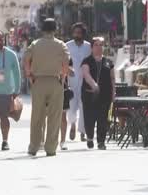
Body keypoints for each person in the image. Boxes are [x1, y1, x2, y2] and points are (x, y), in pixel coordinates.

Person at [24, 18, 70, 157]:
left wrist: (29, 74)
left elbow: (26, 59)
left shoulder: (35, 44)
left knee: (37, 115)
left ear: (42, 29)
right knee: (54, 116)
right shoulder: (61, 45)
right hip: (55, 81)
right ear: (55, 29)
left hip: (38, 81)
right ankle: (51, 148)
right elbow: (66, 62)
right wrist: (62, 77)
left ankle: (34, 146)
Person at [81, 37, 115, 150]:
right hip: (89, 94)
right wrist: (93, 84)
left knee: (103, 118)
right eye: (96, 45)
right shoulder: (86, 61)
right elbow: (86, 74)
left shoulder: (108, 62)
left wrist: (113, 92)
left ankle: (101, 141)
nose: (99, 47)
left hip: (105, 94)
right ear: (91, 47)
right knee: (89, 118)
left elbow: (112, 78)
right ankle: (90, 137)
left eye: (101, 45)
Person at [65, 23, 91, 146]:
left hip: (84, 79)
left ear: (83, 34)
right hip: (71, 79)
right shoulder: (67, 45)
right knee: (71, 104)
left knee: (84, 105)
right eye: (75, 32)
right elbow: (64, 62)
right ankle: (73, 125)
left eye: (79, 33)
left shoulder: (88, 46)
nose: (77, 35)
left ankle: (83, 132)